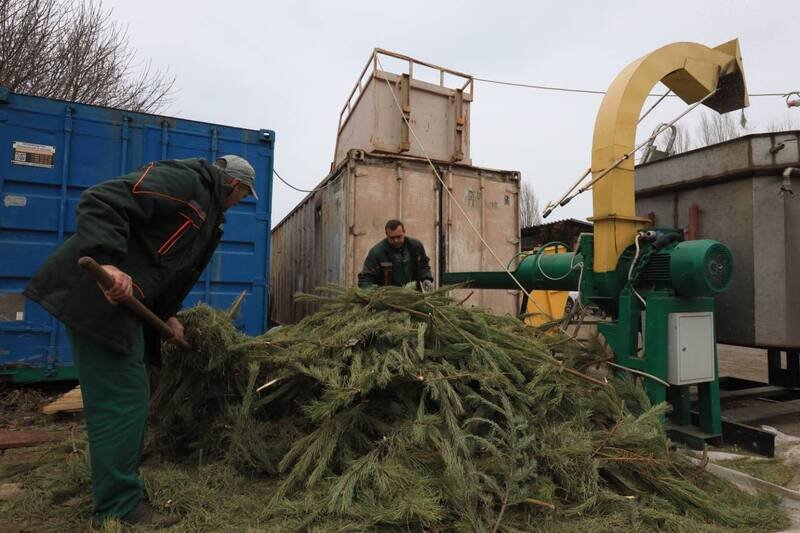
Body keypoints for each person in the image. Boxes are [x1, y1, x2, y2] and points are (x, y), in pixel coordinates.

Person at [24, 154, 258, 528]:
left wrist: (169, 314)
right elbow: (103, 199)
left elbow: (167, 268)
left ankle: (118, 490)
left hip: (124, 307)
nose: (240, 203)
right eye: (243, 196)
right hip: (97, 295)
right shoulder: (188, 183)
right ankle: (118, 508)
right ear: (234, 184)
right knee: (123, 398)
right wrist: (107, 260)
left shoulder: (210, 217)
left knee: (131, 394)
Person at [357, 219, 434, 291]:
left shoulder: (415, 246)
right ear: (386, 235)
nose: (396, 240)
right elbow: (366, 279)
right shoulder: (377, 253)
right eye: (392, 238)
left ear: (404, 232)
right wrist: (373, 293)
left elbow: (423, 265)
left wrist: (426, 278)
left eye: (399, 237)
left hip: (413, 294)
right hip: (388, 296)